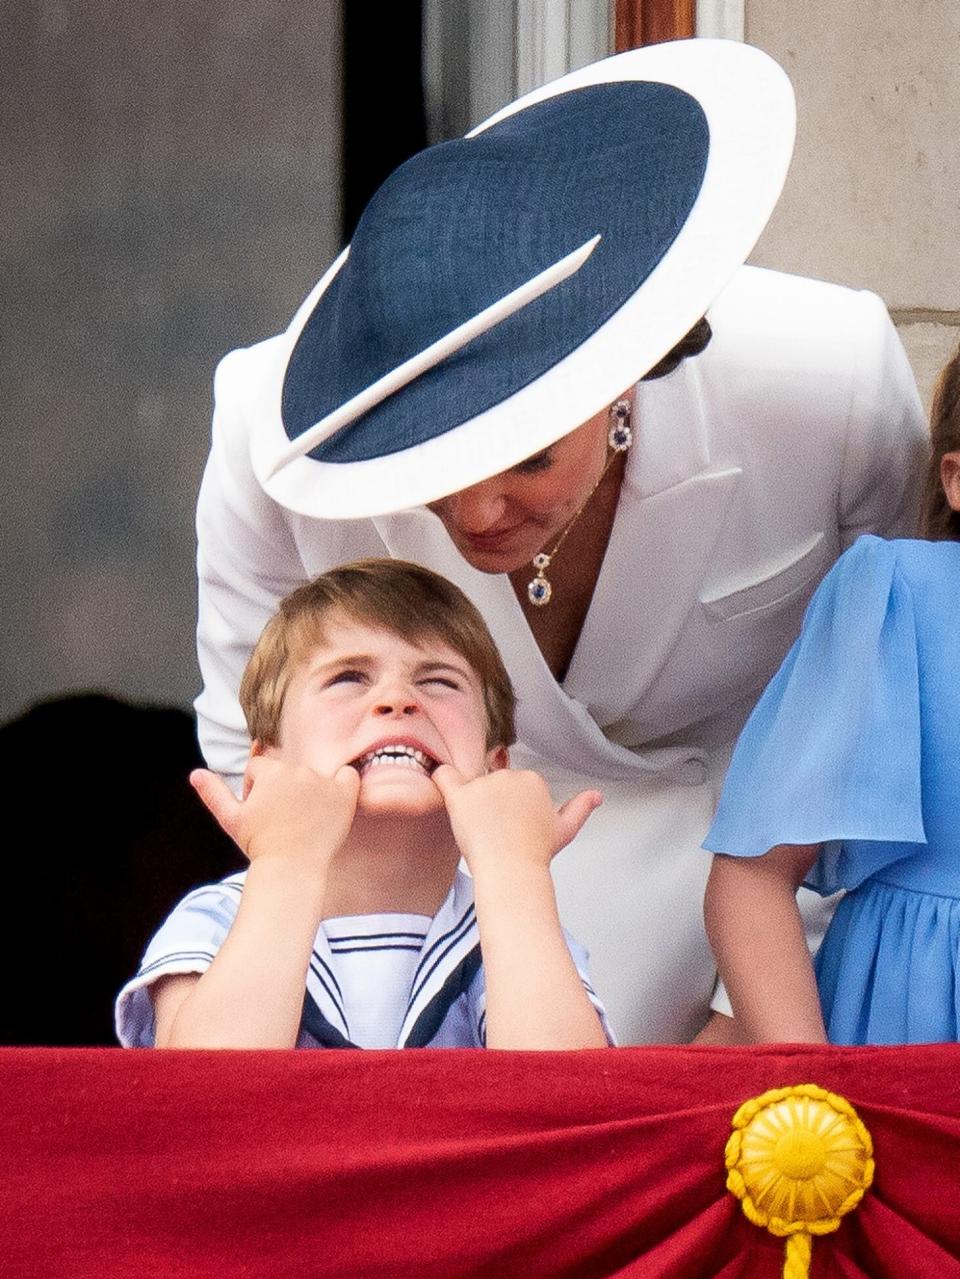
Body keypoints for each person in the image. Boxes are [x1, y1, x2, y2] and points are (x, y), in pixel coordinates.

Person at [193, 40, 928, 1043]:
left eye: (528, 459)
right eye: (435, 469)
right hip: (431, 940)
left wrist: (757, 1007)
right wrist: (370, 995)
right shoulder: (262, 421)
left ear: (626, 373)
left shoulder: (831, 383)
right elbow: (259, 745)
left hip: (758, 928)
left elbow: (891, 730)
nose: (482, 514)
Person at [117, 559, 611, 1050]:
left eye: (438, 681)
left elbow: (568, 1097)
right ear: (268, 764)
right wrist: (287, 861)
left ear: (493, 768)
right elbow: (207, 1093)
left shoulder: (512, 922)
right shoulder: (216, 921)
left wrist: (513, 868)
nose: (398, 699)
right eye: (349, 677)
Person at [703, 344, 960, 1044]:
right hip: (905, 1030)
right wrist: (809, 1088)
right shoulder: (895, 595)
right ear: (957, 480)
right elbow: (753, 877)